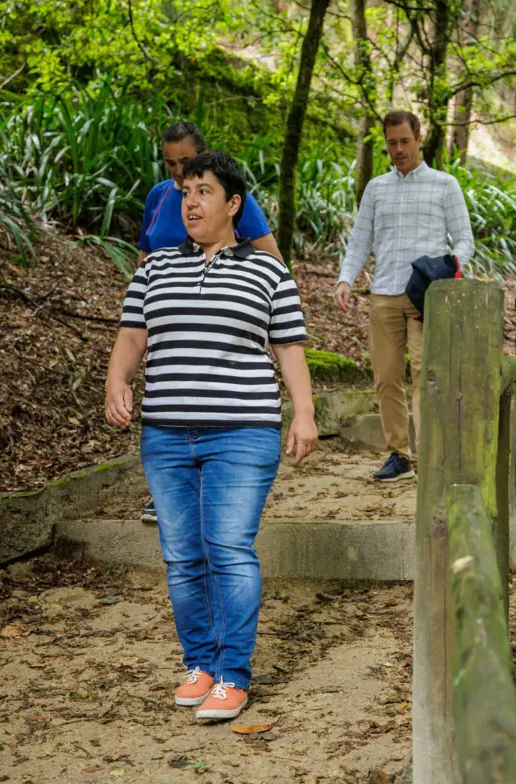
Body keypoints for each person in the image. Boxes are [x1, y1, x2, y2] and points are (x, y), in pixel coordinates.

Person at [105, 150, 318, 721]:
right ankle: (199, 663)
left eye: (203, 190)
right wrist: (116, 383)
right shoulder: (153, 270)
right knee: (181, 556)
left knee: (227, 548)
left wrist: (304, 412)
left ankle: (232, 673)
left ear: (233, 204)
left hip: (242, 432)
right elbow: (131, 337)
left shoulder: (269, 271)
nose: (191, 200)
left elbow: (289, 348)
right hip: (167, 435)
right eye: (185, 191)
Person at [135, 121, 279, 523]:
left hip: (219, 317)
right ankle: (165, 493)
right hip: (168, 318)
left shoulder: (230, 198)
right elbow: (144, 258)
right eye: (170, 164)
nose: (179, 172)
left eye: (186, 162)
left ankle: (223, 479)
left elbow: (272, 259)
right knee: (165, 396)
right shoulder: (159, 198)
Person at [334, 110, 475, 482]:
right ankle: (400, 455)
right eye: (392, 143)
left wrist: (448, 268)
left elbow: (464, 239)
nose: (398, 149)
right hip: (383, 293)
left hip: (426, 295)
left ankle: (432, 459)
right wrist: (345, 280)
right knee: (386, 377)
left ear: (418, 140)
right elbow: (360, 242)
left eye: (404, 141)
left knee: (426, 376)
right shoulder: (376, 188)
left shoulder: (445, 185)